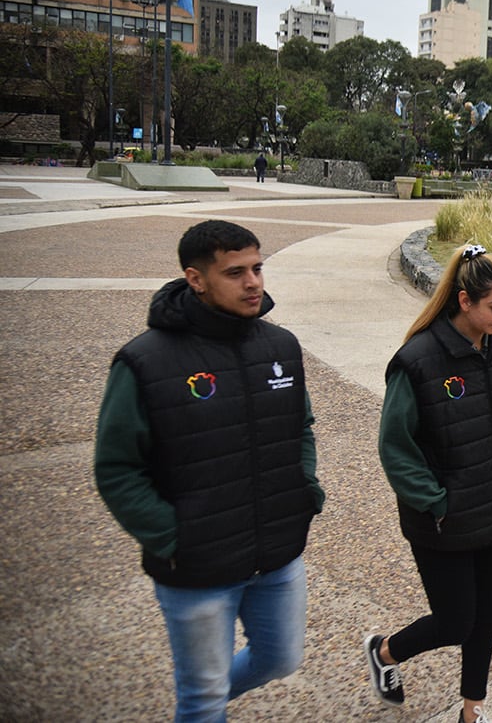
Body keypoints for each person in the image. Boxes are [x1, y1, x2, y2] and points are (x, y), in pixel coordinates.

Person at [94, 219, 325, 723]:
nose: (253, 283)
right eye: (235, 272)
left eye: (258, 268)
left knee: (279, 658)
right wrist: (173, 536)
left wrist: (304, 489)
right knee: (201, 698)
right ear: (195, 279)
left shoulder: (280, 346)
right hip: (196, 571)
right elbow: (115, 468)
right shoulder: (144, 360)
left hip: (277, 556)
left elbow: (300, 426)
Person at [365, 244, 492, 723]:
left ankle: (471, 710)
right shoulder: (418, 360)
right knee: (457, 621)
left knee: (487, 618)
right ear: (465, 301)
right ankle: (384, 652)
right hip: (444, 520)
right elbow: (395, 447)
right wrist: (437, 503)